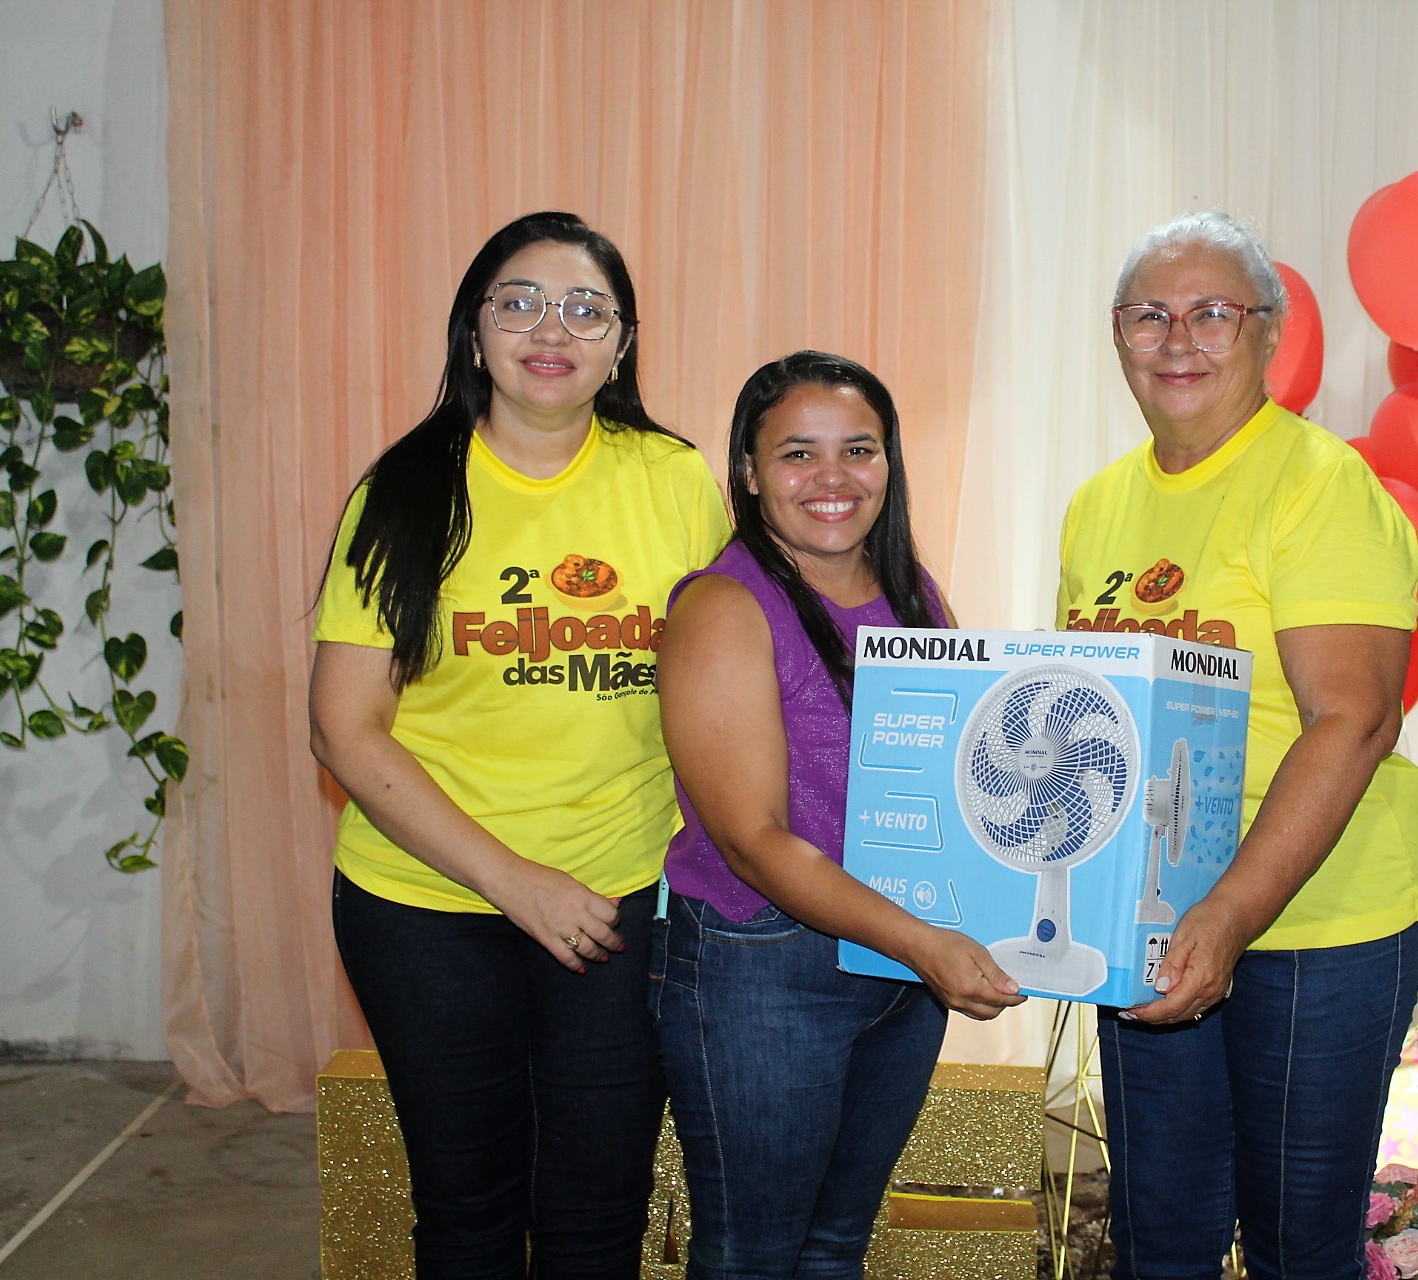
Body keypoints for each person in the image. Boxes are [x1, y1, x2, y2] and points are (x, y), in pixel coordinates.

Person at [308, 211, 728, 1279]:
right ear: (476, 325)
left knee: (597, 1215)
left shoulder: (675, 481)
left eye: (587, 307)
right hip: (424, 905)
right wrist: (515, 880)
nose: (555, 327)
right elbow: (345, 729)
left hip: (616, 897)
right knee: (470, 1209)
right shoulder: (402, 492)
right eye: (522, 301)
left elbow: (733, 671)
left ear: (622, 344)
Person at [1056, 212, 1418, 1280]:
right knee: (1160, 1232)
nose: (1179, 339)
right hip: (1152, 918)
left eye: (1214, 313)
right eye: (1150, 315)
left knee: (1295, 1242)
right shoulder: (1097, 506)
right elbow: (1083, 723)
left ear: (1268, 333)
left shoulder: (1321, 486)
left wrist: (1224, 917)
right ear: (1117, 334)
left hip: (1321, 922)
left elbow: (1354, 717)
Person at [653, 350, 1026, 1278]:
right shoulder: (723, 607)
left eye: (858, 449)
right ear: (747, 471)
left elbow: (955, 785)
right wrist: (927, 944)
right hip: (766, 974)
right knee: (754, 1256)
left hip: (900, 967)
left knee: (833, 1250)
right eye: (797, 454)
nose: (832, 479)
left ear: (890, 463)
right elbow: (752, 841)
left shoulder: (915, 596)